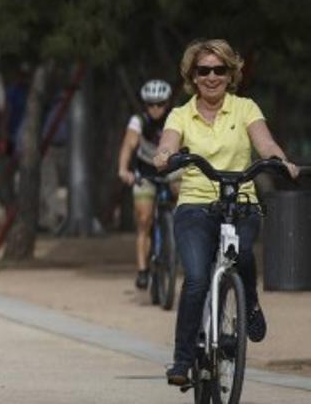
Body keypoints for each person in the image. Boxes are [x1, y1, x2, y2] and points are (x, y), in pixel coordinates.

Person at [153, 39, 299, 386]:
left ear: (231, 73)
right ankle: (182, 360)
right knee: (197, 279)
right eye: (204, 70)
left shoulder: (245, 108)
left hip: (241, 202)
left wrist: (279, 161)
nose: (212, 77)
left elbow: (264, 143)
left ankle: (249, 303)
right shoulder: (180, 114)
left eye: (219, 70)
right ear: (193, 76)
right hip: (196, 206)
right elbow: (169, 144)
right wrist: (164, 155)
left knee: (243, 254)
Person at [117, 79, 174, 290]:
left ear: (167, 104)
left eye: (160, 104)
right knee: (144, 218)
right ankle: (142, 270)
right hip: (145, 172)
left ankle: (175, 236)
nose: (155, 108)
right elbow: (128, 145)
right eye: (151, 104)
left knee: (184, 191)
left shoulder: (176, 119)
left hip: (170, 171)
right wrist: (124, 170)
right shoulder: (138, 121)